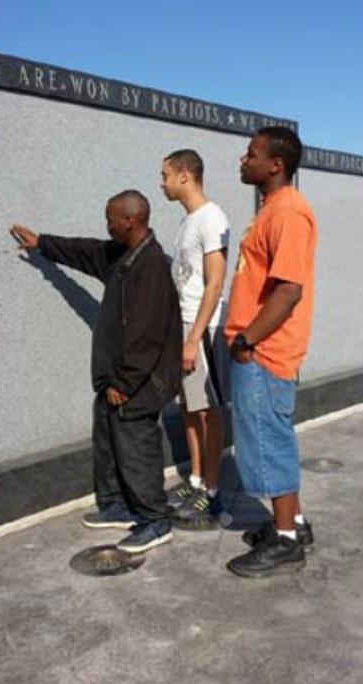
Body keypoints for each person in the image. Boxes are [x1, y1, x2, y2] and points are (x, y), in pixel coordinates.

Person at [10, 192, 183, 554]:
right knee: (109, 441)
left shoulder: (150, 266)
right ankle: (117, 506)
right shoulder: (123, 255)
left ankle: (155, 520)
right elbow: (86, 252)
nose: (106, 225)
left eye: (111, 219)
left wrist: (125, 382)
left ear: (130, 221)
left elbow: (147, 335)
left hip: (139, 382)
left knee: (137, 449)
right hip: (115, 380)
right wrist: (43, 244)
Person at [224, 125, 319, 578]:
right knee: (273, 436)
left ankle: (283, 541)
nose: (244, 160)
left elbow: (289, 291)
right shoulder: (271, 210)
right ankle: (293, 523)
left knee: (266, 440)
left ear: (275, 165)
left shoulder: (288, 213)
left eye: (251, 154)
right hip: (259, 350)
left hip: (263, 351)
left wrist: (246, 340)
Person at [156, 148, 231, 524]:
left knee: (208, 412)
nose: (162, 182)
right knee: (189, 408)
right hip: (184, 324)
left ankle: (213, 491)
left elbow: (215, 283)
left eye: (165, 175)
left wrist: (192, 338)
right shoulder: (188, 221)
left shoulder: (211, 217)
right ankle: (198, 479)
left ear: (185, 176)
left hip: (203, 327)